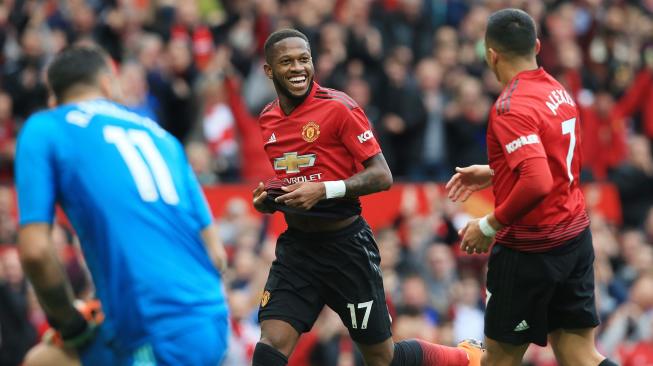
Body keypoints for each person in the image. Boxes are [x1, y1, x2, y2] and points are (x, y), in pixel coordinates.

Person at [251, 28, 483, 366]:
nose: (298, 68)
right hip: (298, 252)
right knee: (270, 346)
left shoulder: (339, 108)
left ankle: (466, 357)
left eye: (304, 59)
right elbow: (296, 176)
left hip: (347, 249)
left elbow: (382, 175)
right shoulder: (267, 119)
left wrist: (325, 190)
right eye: (286, 62)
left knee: (382, 358)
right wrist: (269, 199)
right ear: (269, 70)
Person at [15, 46, 229, 365]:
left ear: (53, 99)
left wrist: (70, 324)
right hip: (211, 321)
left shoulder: (46, 126)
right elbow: (217, 256)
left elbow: (35, 252)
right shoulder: (164, 138)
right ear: (106, 83)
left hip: (151, 332)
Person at [446, 9, 618, 366]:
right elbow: (554, 164)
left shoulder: (510, 107)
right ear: (537, 46)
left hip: (530, 251)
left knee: (498, 360)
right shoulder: (558, 90)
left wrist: (488, 225)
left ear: (491, 54)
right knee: (579, 354)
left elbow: (538, 181)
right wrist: (497, 171)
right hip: (574, 238)